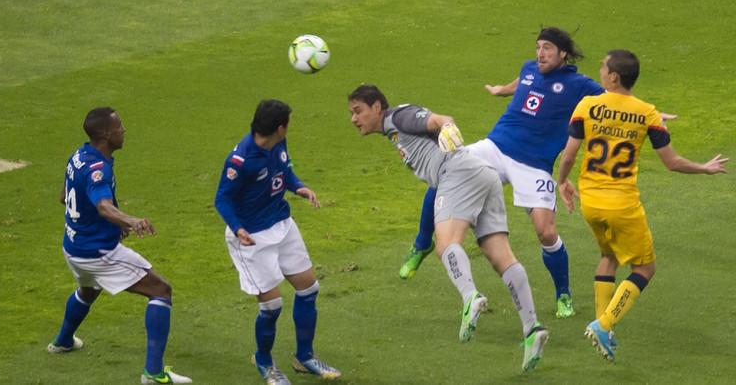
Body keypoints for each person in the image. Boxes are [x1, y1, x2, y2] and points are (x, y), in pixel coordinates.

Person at [399, 27, 675, 319]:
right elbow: (523, 81)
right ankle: (422, 243)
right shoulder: (530, 69)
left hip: (534, 165)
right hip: (495, 146)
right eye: (538, 47)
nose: (540, 54)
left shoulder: (580, 85)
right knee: (446, 174)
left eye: (547, 48)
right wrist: (500, 90)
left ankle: (563, 296)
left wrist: (654, 116)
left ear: (562, 53)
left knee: (546, 232)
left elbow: (615, 98)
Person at [348, 84, 549, 372]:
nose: (354, 119)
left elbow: (440, 119)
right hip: (484, 174)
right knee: (499, 255)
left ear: (377, 107)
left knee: (445, 244)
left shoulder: (398, 117)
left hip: (457, 173)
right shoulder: (395, 126)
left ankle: (471, 298)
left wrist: (446, 126)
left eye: (358, 111)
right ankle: (532, 328)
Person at [557, 49, 728, 361]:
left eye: (603, 67)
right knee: (645, 267)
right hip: (622, 205)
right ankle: (603, 323)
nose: (599, 70)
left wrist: (563, 182)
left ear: (614, 77)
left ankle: (604, 328)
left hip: (590, 202)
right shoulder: (648, 113)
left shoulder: (587, 105)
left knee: (608, 256)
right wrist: (704, 168)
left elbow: (569, 154)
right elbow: (672, 163)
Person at [47, 107, 192, 384]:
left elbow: (65, 196)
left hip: (73, 248)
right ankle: (153, 372)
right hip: (97, 253)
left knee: (89, 289)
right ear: (105, 133)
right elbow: (102, 205)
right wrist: (130, 219)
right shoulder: (99, 168)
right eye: (119, 126)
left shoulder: (79, 157)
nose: (124, 130)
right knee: (161, 290)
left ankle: (63, 341)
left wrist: (113, 225)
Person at [214, 100, 340, 385]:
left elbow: (284, 171)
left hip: (282, 225)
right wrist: (238, 229)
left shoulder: (278, 143)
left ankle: (304, 357)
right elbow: (222, 198)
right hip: (252, 238)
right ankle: (264, 360)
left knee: (309, 288)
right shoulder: (240, 160)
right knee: (272, 307)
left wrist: (300, 188)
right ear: (280, 128)